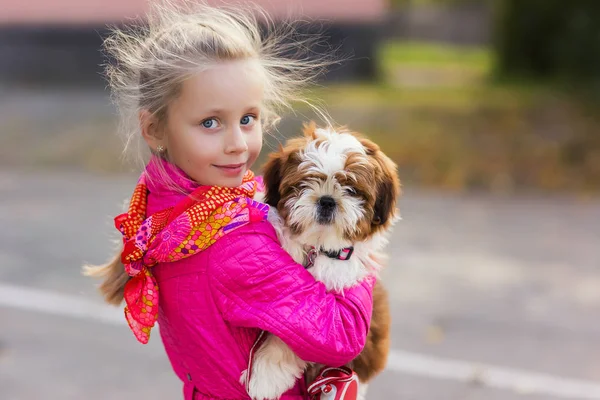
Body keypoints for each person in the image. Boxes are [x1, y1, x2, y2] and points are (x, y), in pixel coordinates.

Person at [84, 1, 374, 399]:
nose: (237, 145)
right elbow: (342, 335)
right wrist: (357, 251)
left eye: (247, 119)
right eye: (210, 123)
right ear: (154, 129)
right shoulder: (234, 243)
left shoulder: (163, 209)